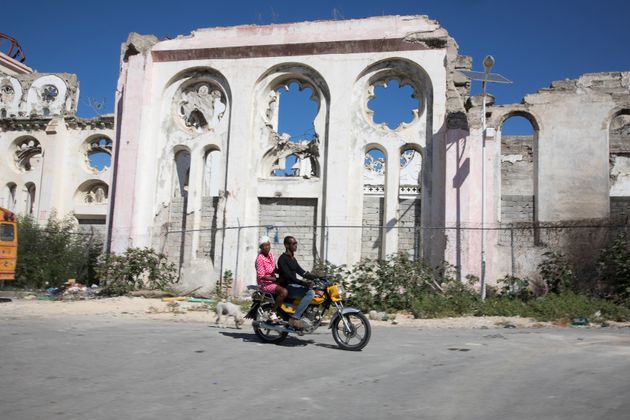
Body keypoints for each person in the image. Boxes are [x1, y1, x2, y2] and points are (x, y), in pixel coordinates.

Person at [277, 235, 317, 330]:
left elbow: (302, 272)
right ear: (287, 245)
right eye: (293, 243)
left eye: (296, 243)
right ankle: (295, 318)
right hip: (287, 287)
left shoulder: (292, 258)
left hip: (293, 285)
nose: (296, 245)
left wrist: (318, 277)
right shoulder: (282, 259)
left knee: (316, 291)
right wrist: (304, 283)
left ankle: (306, 315)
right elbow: (289, 277)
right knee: (310, 293)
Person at [255, 236, 287, 322]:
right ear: (261, 247)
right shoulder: (259, 259)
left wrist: (284, 271)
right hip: (265, 284)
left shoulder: (271, 255)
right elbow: (261, 276)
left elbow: (274, 269)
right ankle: (272, 312)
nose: (267, 247)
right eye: (264, 246)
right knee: (283, 292)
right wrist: (276, 280)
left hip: (273, 281)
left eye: (268, 245)